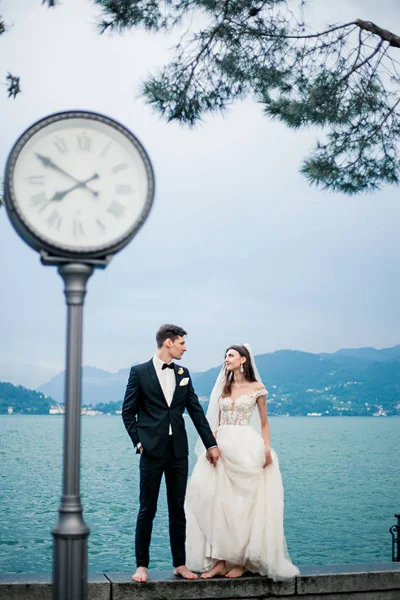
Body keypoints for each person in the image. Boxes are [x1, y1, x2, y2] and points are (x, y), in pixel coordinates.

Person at [185, 344, 299, 581]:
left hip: (246, 446)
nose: (226, 359)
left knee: (243, 504)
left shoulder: (257, 388)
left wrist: (267, 449)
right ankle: (219, 561)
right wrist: (210, 445)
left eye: (231, 355)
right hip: (222, 447)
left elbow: (264, 423)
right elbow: (214, 421)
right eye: (225, 355)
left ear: (243, 360)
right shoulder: (223, 387)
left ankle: (242, 562)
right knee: (216, 502)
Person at [122, 324, 220, 583]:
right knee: (147, 509)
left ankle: (180, 564)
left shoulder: (183, 373)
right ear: (168, 342)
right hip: (151, 451)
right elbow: (127, 411)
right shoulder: (139, 372)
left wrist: (211, 444)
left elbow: (196, 411)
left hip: (178, 451)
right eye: (181, 343)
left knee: (178, 510)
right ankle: (142, 566)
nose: (185, 348)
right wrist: (138, 443)